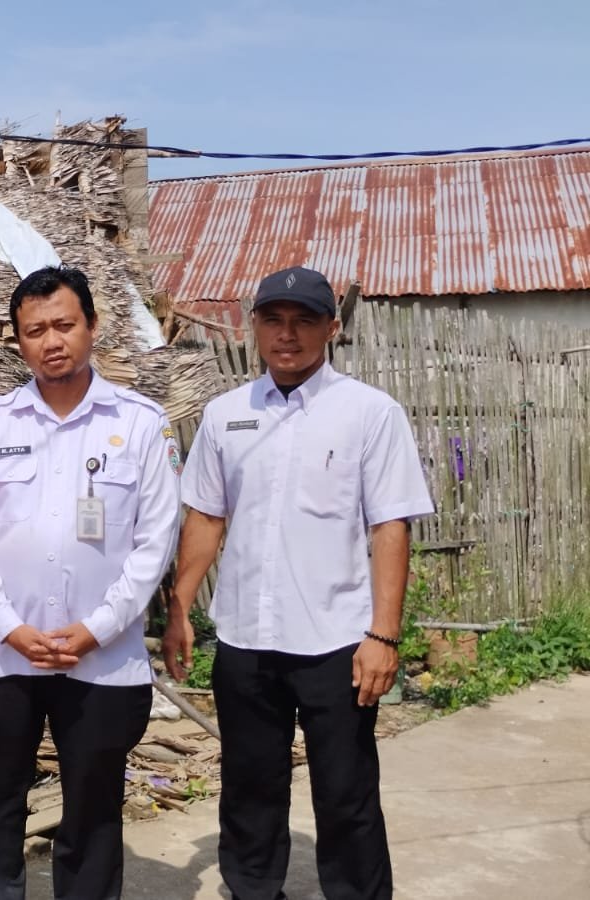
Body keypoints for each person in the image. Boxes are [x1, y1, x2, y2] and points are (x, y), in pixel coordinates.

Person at [164, 265, 433, 900]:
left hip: (337, 643)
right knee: (250, 788)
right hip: (246, 639)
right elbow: (205, 515)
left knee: (346, 794)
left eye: (304, 321)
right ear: (252, 325)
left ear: (331, 329)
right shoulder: (226, 413)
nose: (287, 335)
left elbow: (390, 527)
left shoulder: (370, 413)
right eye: (273, 320)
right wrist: (178, 606)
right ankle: (253, 889)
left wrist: (384, 637)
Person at [0, 265, 180, 900]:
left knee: (93, 811)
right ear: (18, 341)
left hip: (102, 662)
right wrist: (14, 630)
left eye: (64, 325)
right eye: (35, 330)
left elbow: (154, 541)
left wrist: (96, 629)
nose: (52, 341)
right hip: (2, 658)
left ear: (93, 327)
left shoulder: (140, 424)